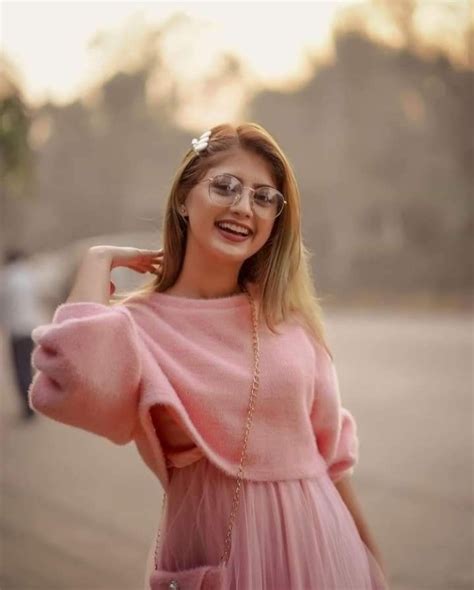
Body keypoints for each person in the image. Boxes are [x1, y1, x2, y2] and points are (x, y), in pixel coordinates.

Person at [28, 122, 390, 589]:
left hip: (322, 548)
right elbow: (70, 388)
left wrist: (372, 559)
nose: (243, 207)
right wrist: (97, 260)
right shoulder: (136, 325)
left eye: (264, 198)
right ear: (183, 198)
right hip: (215, 560)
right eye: (225, 186)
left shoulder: (288, 315)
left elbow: (332, 455)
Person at [0, 248, 48, 421]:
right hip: (31, 326)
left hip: (16, 329)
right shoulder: (30, 276)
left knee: (20, 368)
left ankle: (28, 407)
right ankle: (35, 400)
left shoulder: (6, 278)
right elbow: (41, 298)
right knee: (30, 365)